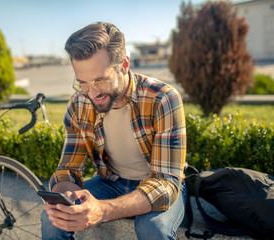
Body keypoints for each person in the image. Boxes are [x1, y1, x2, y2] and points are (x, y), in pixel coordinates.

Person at [41, 22, 187, 240]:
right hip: (112, 182)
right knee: (52, 219)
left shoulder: (163, 99)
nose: (91, 93)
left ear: (124, 65)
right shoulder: (79, 104)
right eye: (82, 83)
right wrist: (66, 197)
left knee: (153, 229)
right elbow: (68, 169)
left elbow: (166, 183)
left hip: (160, 183)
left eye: (100, 81)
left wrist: (102, 210)